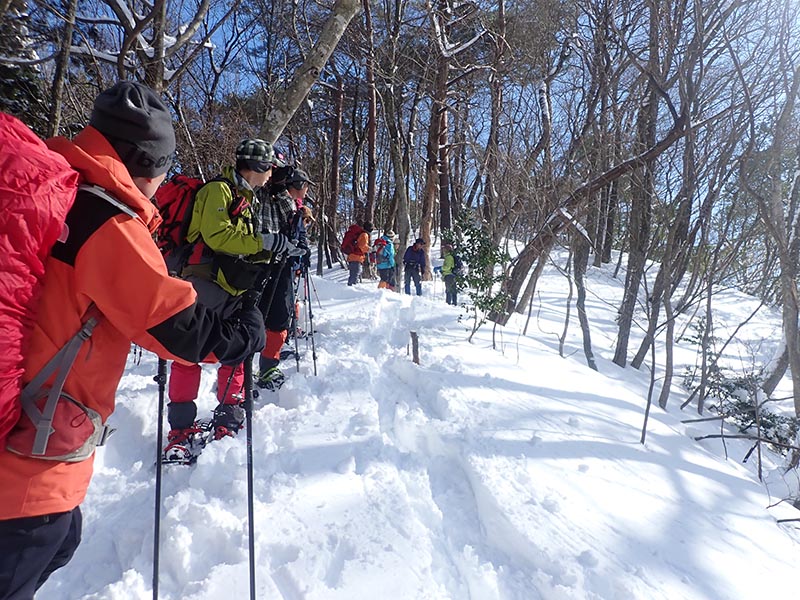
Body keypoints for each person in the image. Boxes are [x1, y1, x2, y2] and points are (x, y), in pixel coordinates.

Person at [0, 81, 266, 599]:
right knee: (45, 542)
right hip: (28, 459)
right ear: (146, 162)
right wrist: (244, 335)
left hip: (23, 428)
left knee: (61, 542)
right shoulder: (107, 222)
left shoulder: (58, 191)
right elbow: (178, 329)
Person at [166, 138, 300, 446]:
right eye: (269, 168)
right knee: (190, 352)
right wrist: (264, 242)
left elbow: (242, 243)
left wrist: (275, 249)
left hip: (230, 284)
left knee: (240, 346)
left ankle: (228, 411)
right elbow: (217, 236)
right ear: (257, 167)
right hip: (204, 282)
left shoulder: (243, 196)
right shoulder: (219, 190)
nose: (272, 175)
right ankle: (181, 427)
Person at [255, 165, 312, 389]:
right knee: (264, 316)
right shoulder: (261, 195)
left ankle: (267, 364)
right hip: (263, 264)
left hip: (281, 264)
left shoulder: (289, 202)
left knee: (278, 316)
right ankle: (256, 368)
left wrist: (301, 251)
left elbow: (296, 231)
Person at [346, 221, 373, 286]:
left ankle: (351, 289)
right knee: (354, 278)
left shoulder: (361, 234)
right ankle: (350, 290)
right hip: (356, 257)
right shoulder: (364, 235)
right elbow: (362, 246)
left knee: (354, 276)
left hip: (353, 257)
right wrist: (370, 249)